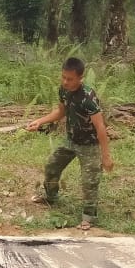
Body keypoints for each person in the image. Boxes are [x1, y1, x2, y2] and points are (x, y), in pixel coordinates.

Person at [26, 57, 115, 231]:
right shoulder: (63, 90)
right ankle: (51, 196)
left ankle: (89, 216)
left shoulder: (88, 98)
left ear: (80, 78)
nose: (66, 82)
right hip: (71, 140)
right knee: (52, 166)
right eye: (63, 77)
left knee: (90, 181)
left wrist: (106, 157)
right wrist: (40, 121)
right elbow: (61, 112)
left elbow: (100, 128)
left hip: (90, 145)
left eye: (70, 79)